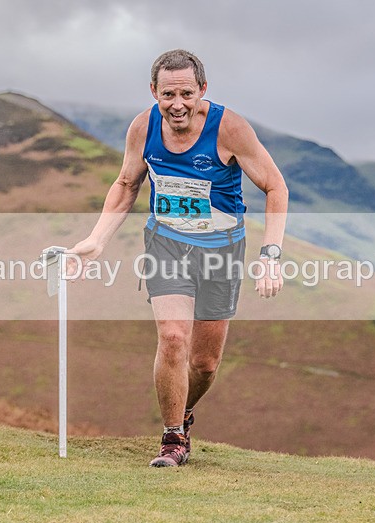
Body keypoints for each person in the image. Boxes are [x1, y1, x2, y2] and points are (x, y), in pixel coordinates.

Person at [68, 49, 288, 467]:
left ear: (202, 90)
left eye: (186, 93)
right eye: (168, 94)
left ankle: (184, 413)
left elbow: (276, 188)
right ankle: (172, 438)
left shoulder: (230, 128)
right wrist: (97, 239)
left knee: (204, 364)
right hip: (166, 244)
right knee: (172, 337)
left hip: (221, 250)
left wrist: (271, 255)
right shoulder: (143, 127)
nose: (177, 104)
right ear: (154, 92)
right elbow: (127, 182)